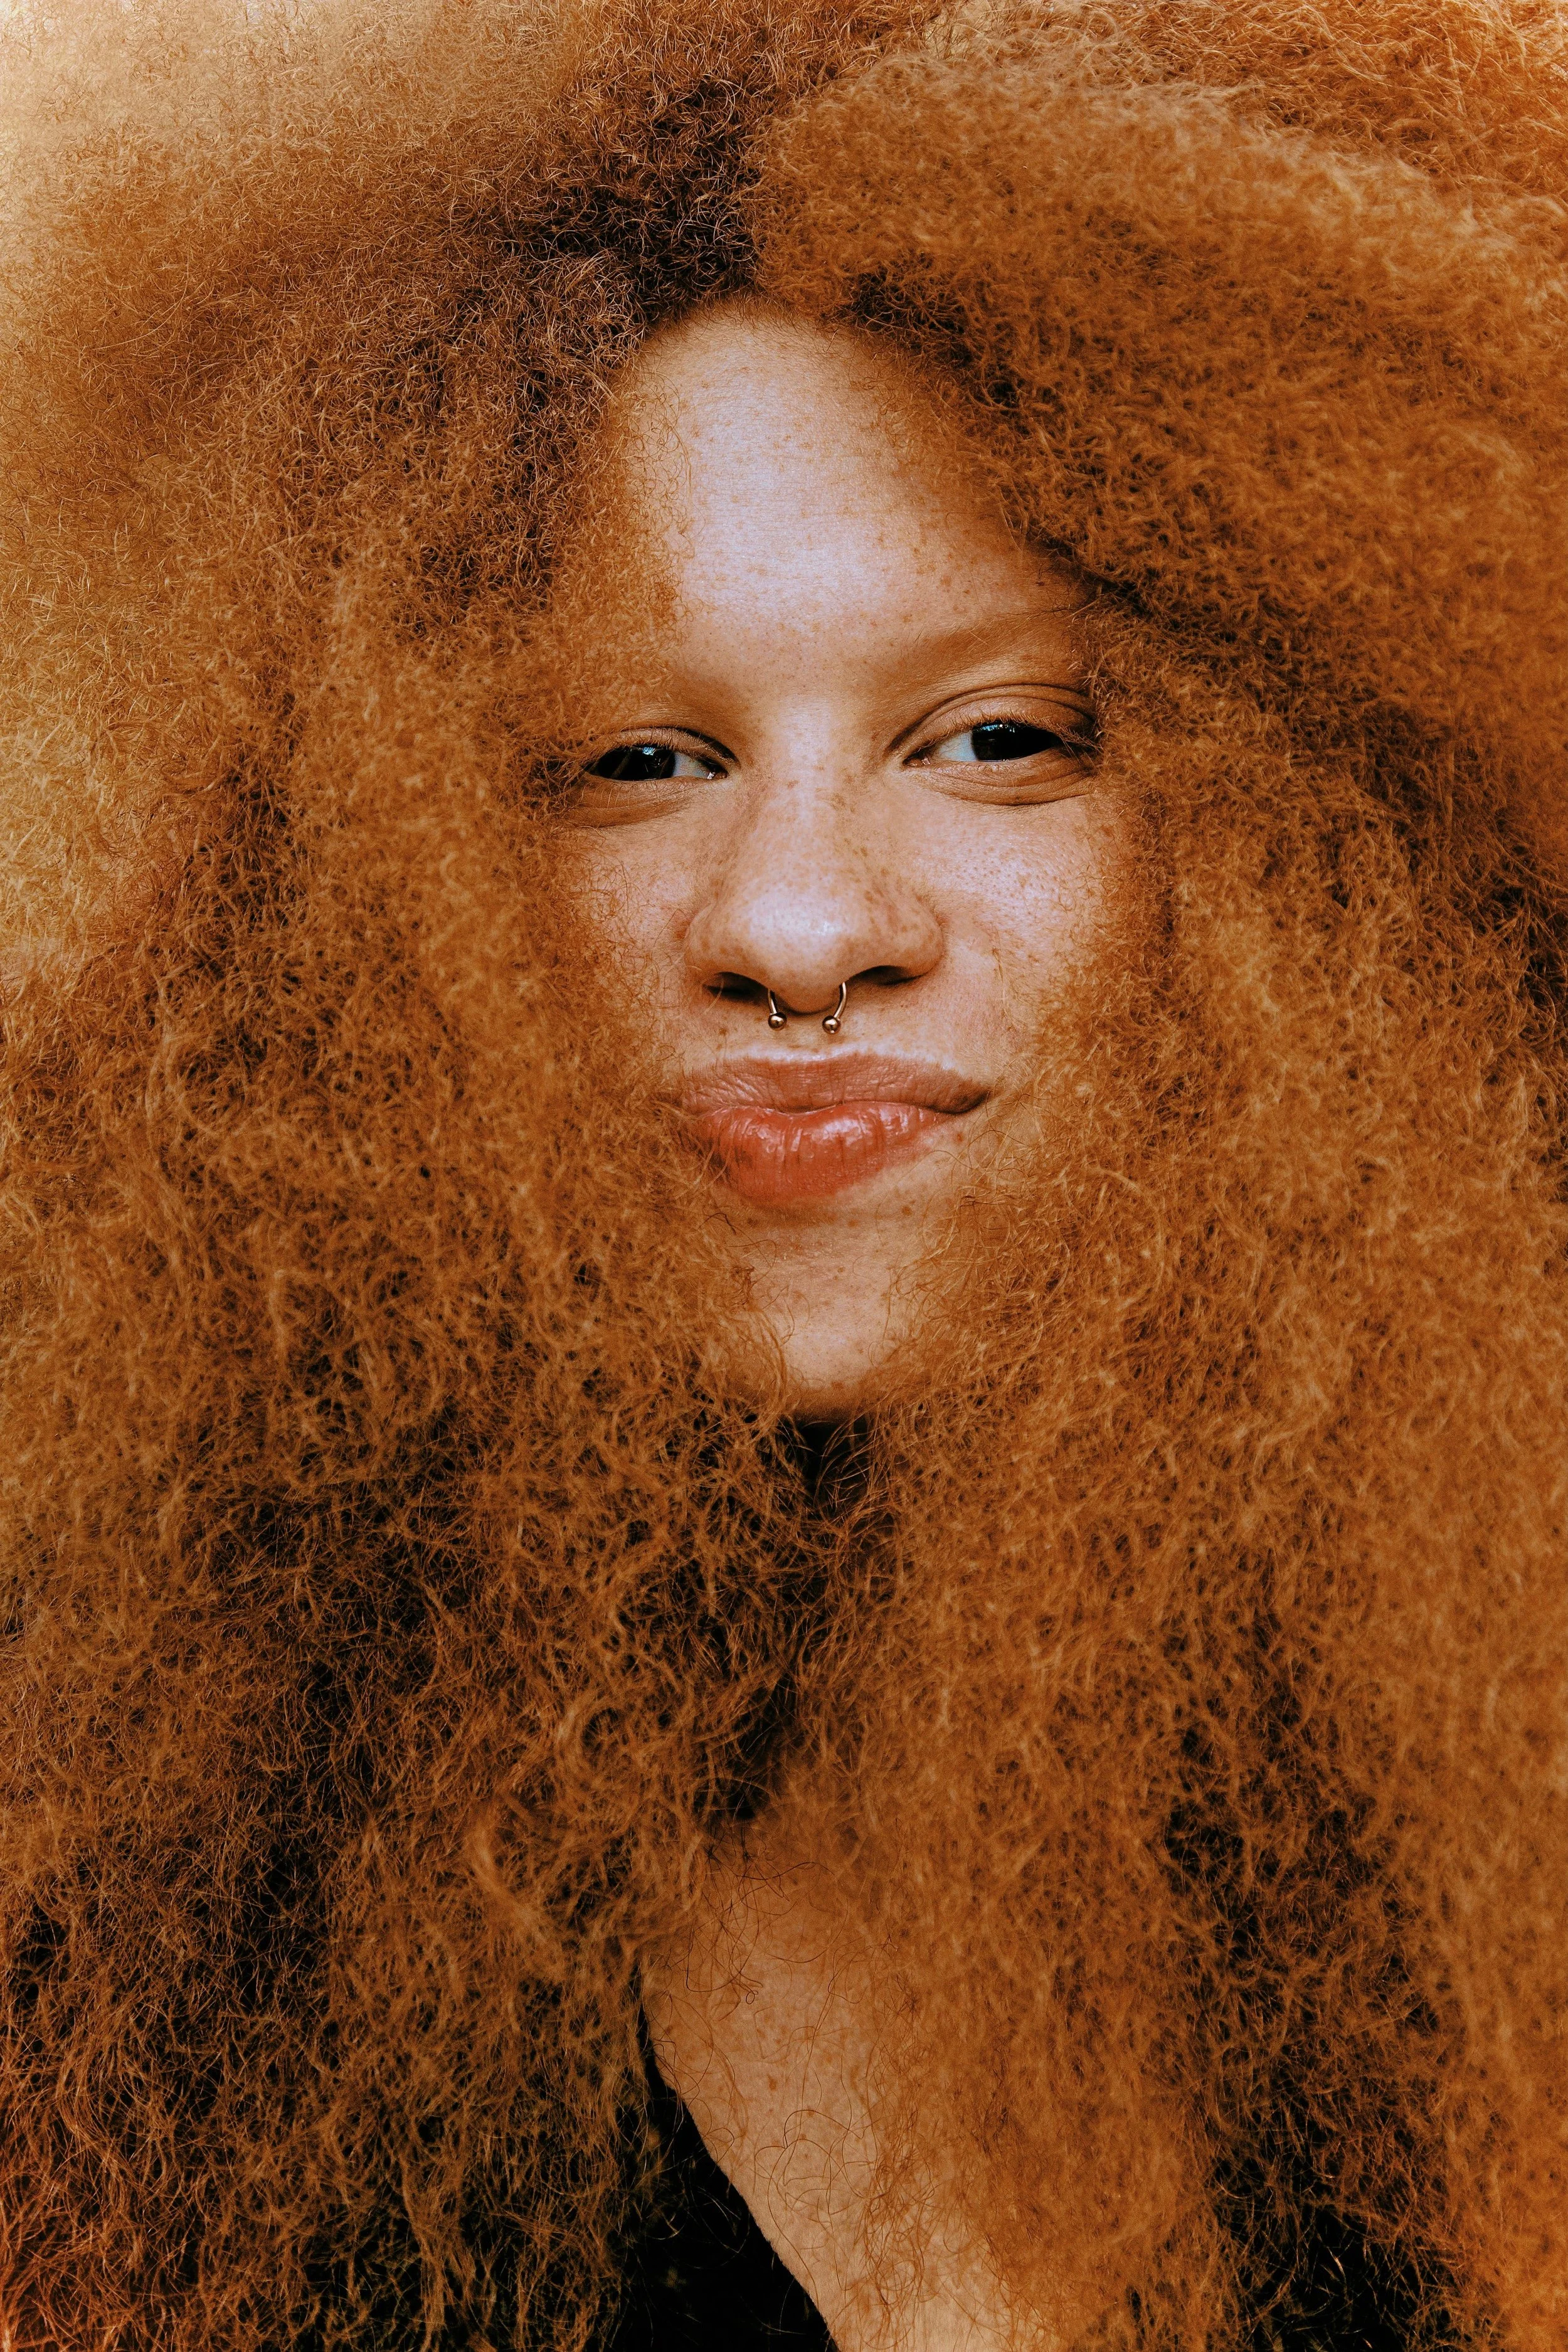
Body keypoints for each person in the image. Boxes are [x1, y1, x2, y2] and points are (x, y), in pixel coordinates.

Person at [1, 2, 1563, 2347]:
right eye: (635, 759)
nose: (799, 922)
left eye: (1000, 739)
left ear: (1329, 847)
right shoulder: (104, 1960)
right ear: (365, 877)